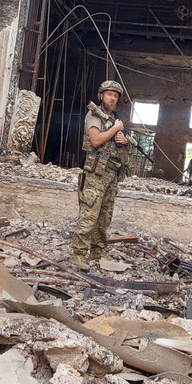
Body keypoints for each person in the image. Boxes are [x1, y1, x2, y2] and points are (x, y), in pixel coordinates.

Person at [70, 80, 129, 271]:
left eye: (115, 96)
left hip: (111, 173)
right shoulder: (94, 115)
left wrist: (123, 139)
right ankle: (78, 254)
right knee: (89, 214)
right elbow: (95, 140)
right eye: (109, 94)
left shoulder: (114, 119)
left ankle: (97, 251)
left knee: (105, 216)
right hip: (96, 174)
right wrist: (114, 130)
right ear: (101, 95)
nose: (112, 98)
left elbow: (117, 145)